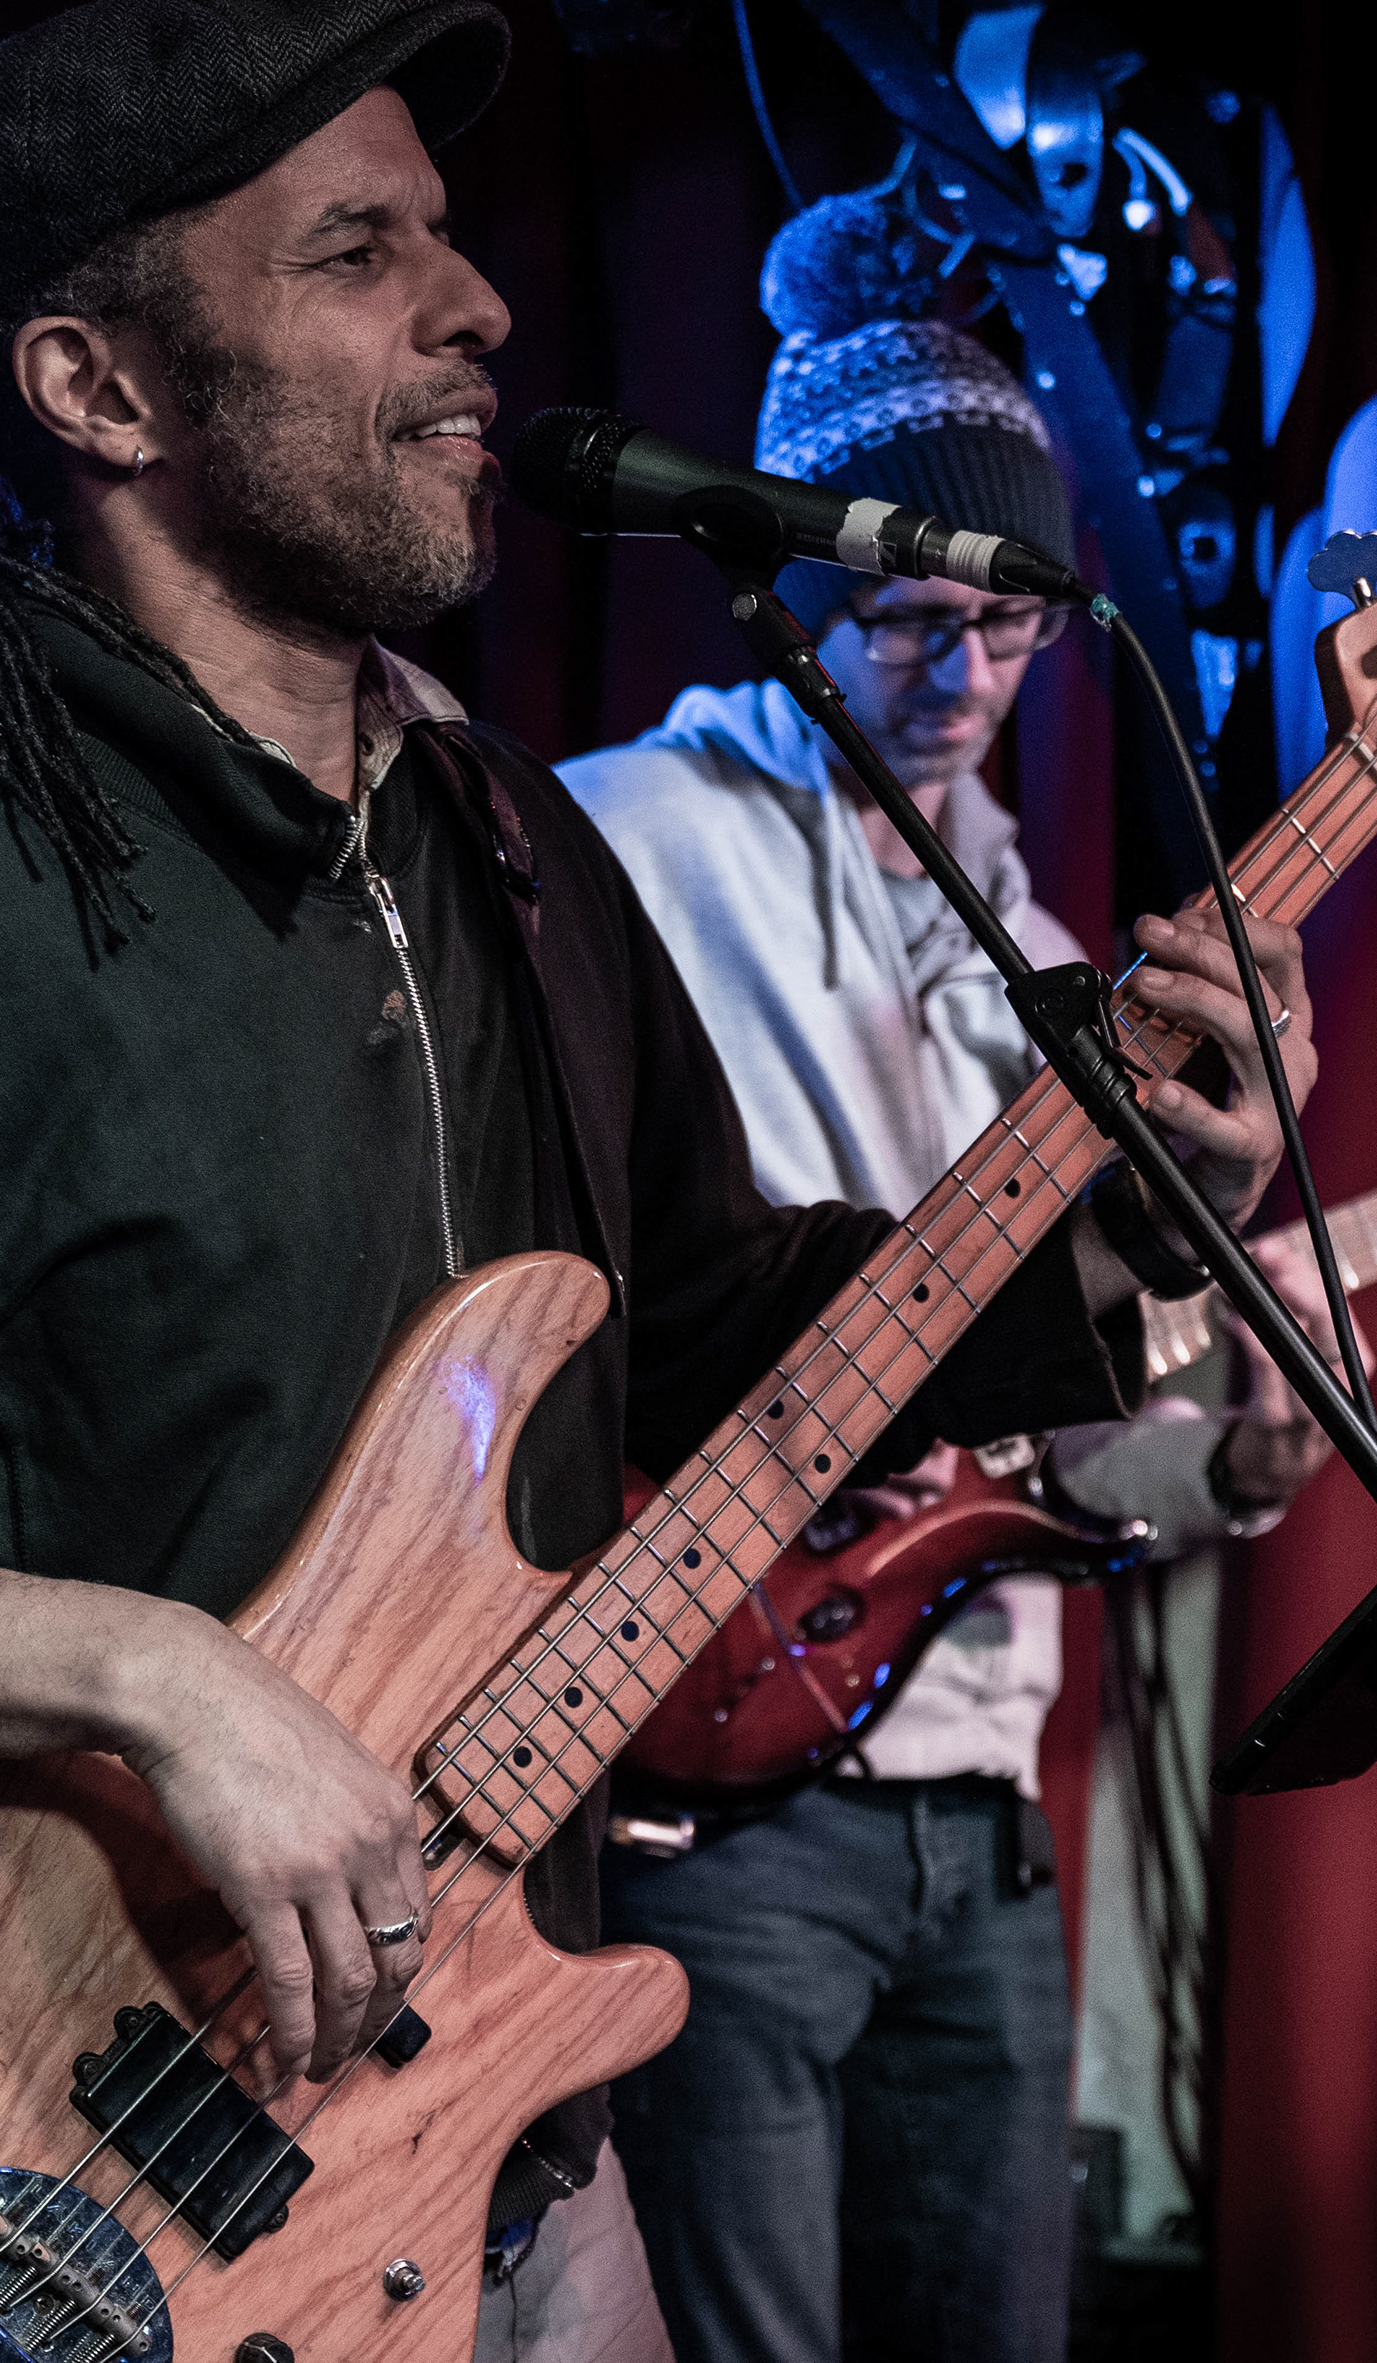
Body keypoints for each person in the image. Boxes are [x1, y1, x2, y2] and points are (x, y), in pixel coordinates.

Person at [0, 0, 1312, 2361]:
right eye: (355, 252)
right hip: (107, 2160)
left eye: (447, 234)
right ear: (99, 389)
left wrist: (1129, 1210)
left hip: (506, 2119)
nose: (481, 309)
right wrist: (149, 1680)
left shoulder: (504, 841)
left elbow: (726, 1321)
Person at [557, 189, 1346, 2363]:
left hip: (978, 1798)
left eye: (1007, 631)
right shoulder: (623, 839)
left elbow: (1059, 1457)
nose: (966, 677)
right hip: (713, 1788)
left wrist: (1229, 1465)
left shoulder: (1052, 953)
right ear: (808, 586)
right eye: (912, 617)